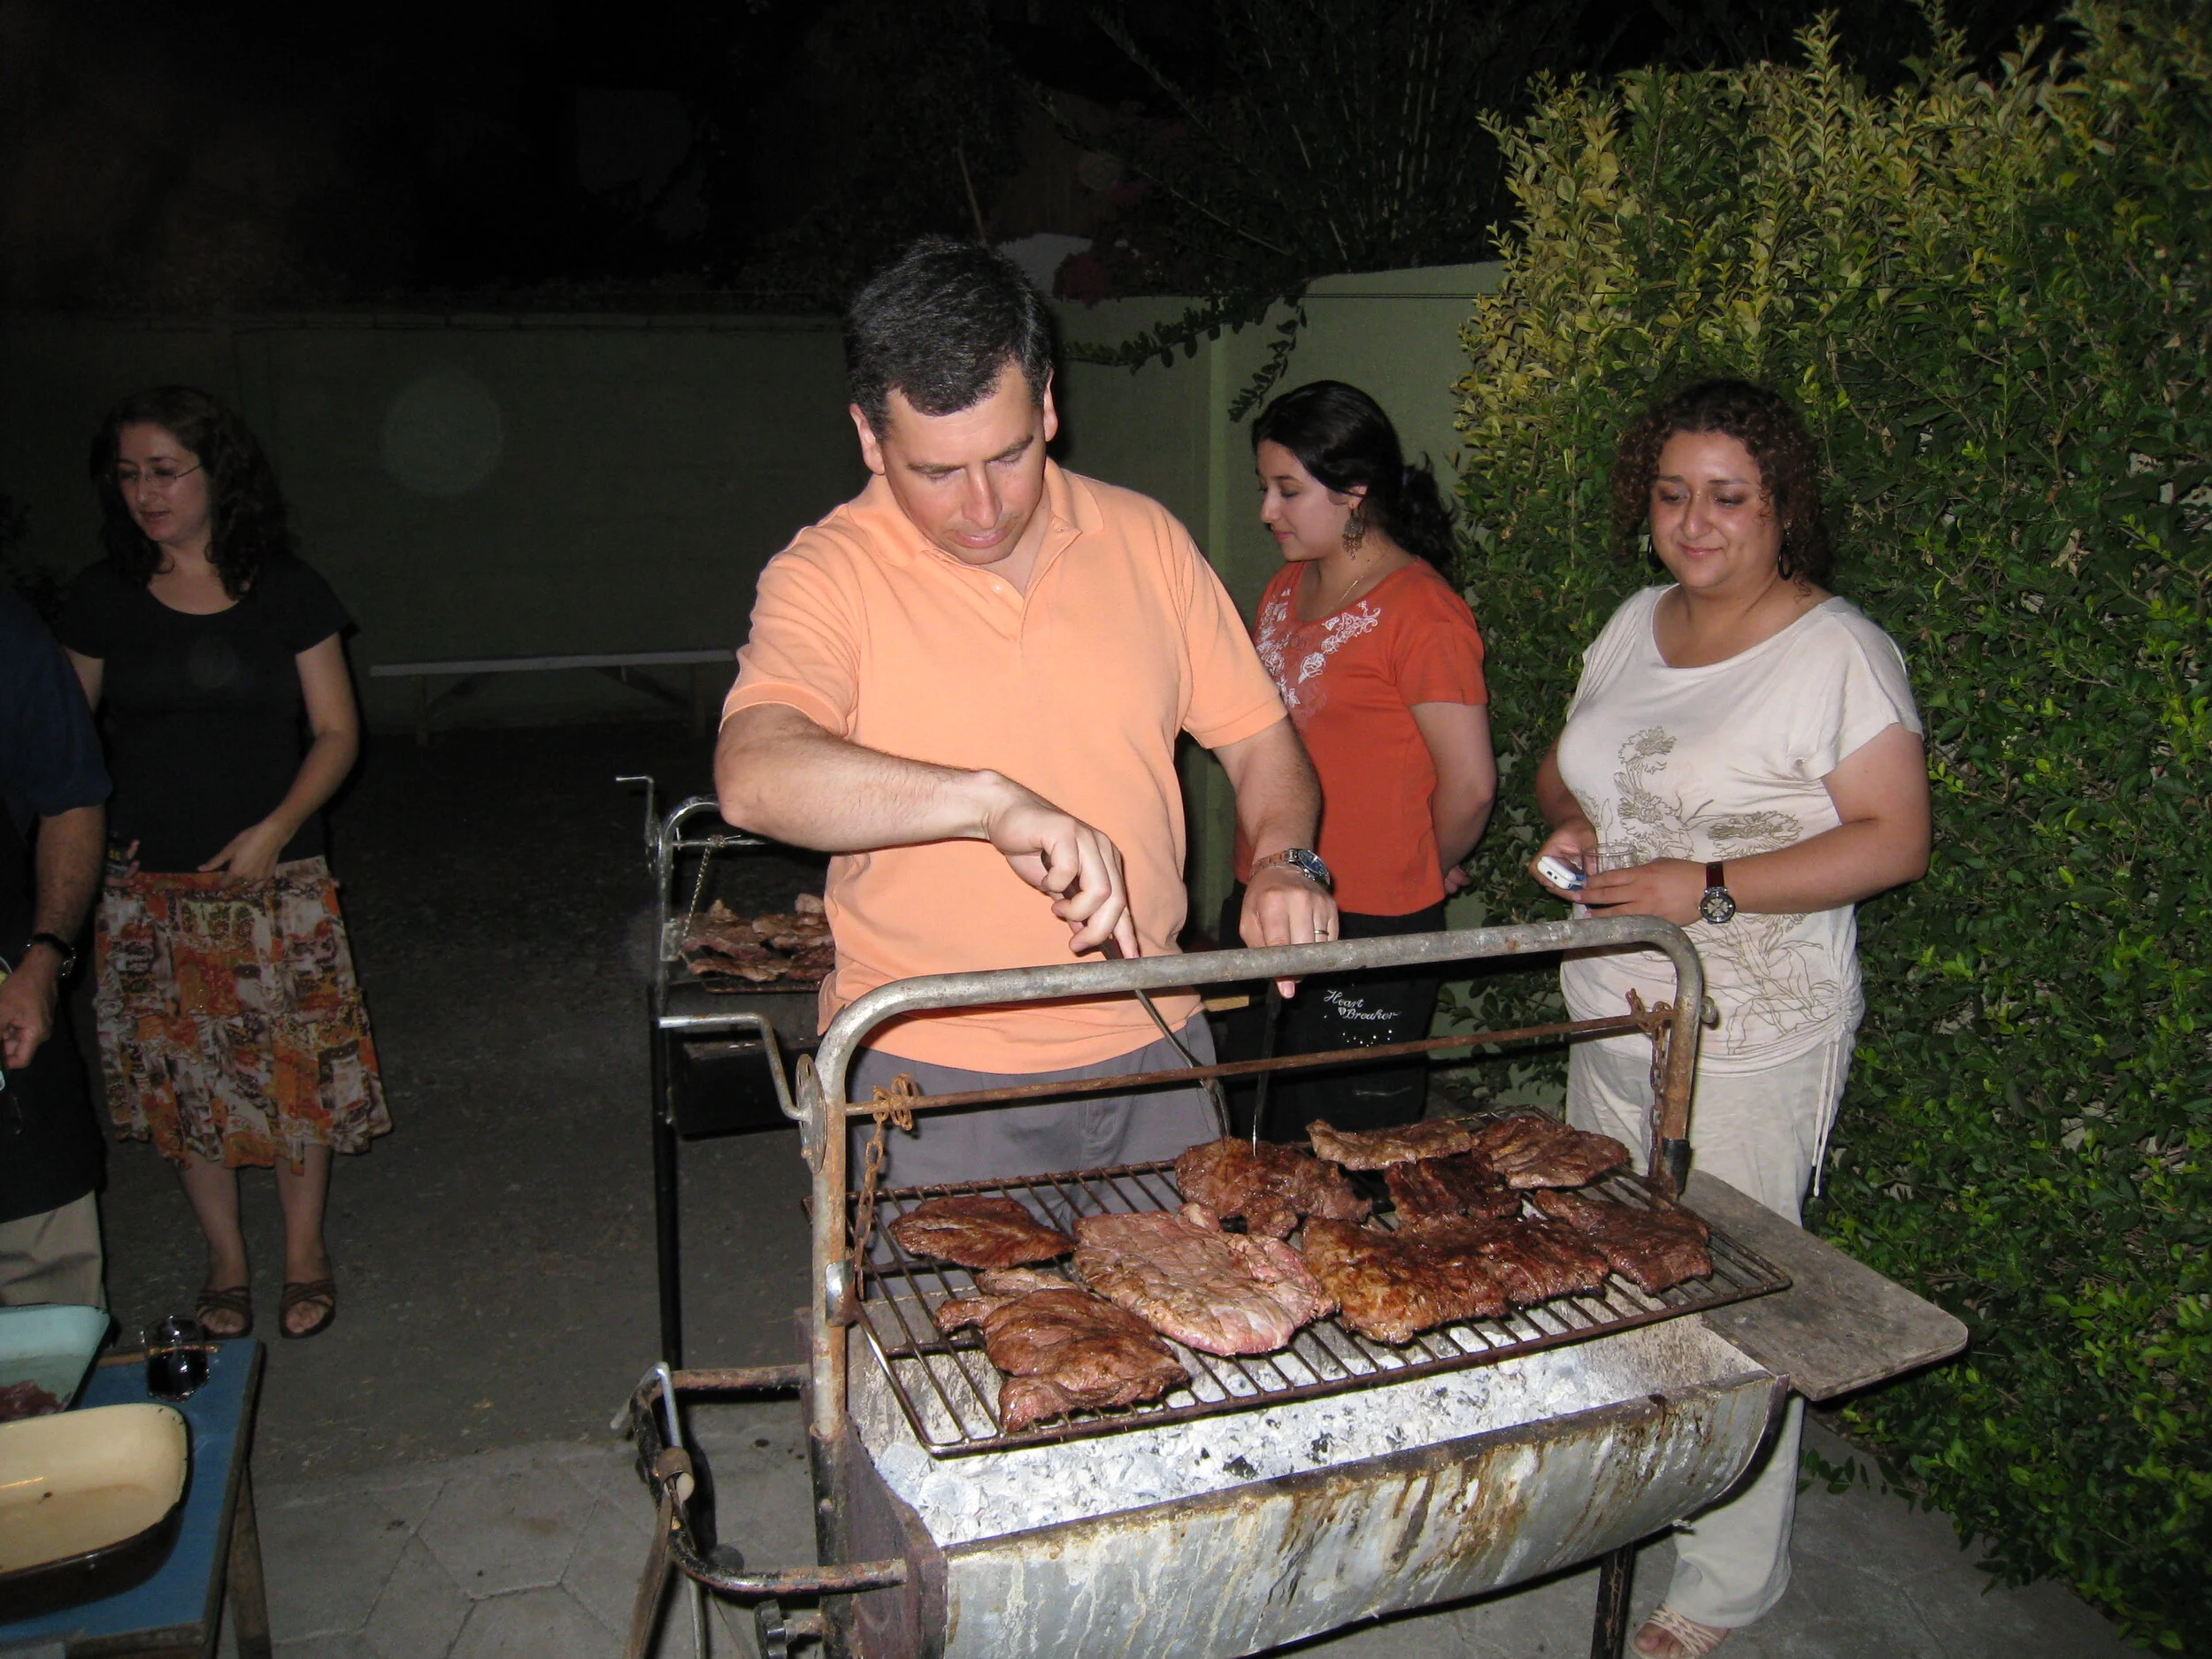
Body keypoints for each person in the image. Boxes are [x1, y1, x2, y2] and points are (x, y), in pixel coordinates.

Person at [716, 236, 1335, 1187]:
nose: (981, 507)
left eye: (1008, 456)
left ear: (1046, 404)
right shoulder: (824, 576)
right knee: (946, 1337)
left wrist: (1288, 860)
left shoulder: (1146, 542)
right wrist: (989, 801)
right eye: (934, 471)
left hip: (1155, 1039)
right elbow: (755, 776)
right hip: (927, 1078)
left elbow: (1260, 743)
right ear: (869, 438)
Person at [1528, 379, 1931, 1657]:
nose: (1696, 523)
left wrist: (1708, 884)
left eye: (1729, 497)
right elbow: (1567, 756)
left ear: (1781, 506)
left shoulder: (1835, 649)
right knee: (1613, 1273)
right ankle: (1632, 1490)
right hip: (1612, 1012)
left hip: (1751, 1034)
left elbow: (1895, 838)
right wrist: (1573, 818)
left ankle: (1721, 1582)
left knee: (1736, 1292)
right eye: (1672, 494)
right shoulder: (1634, 622)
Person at [58, 386, 388, 1341]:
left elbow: (335, 731)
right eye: (128, 475)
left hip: (272, 881)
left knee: (294, 1075)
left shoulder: (286, 589)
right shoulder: (101, 597)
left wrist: (276, 828)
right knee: (184, 1083)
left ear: (218, 475)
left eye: (166, 471)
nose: (145, 493)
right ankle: (226, 1260)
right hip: (150, 887)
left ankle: (301, 1253)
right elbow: (61, 741)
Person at [1219, 380, 1494, 1138]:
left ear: (1354, 494)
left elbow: (1470, 785)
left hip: (1373, 925)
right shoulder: (1282, 589)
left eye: (1287, 490)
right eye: (1264, 488)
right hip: (1264, 893)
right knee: (1253, 1119)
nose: (1266, 511)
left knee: (1352, 1139)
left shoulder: (1422, 612)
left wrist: (1421, 864)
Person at [0, 593, 111, 1310]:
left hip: (5, 1007)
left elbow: (72, 799)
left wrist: (43, 958)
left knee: (46, 1299)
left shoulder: (8, 637)